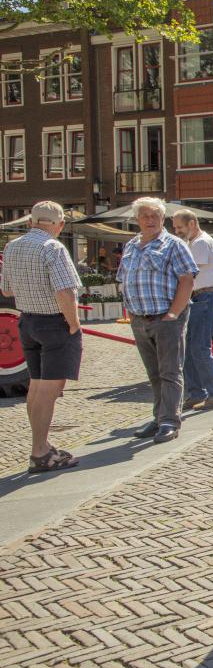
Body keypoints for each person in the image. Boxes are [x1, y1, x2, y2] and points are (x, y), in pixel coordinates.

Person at [1, 201, 83, 471]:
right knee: (49, 389)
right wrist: (73, 324)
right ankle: (40, 452)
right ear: (59, 225)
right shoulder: (53, 247)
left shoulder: (12, 247)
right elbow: (65, 291)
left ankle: (42, 444)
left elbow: (7, 291)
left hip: (27, 321)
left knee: (36, 386)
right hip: (53, 324)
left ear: (31, 222)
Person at [118, 197, 199, 445]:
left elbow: (187, 280)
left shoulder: (174, 245)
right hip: (140, 318)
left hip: (166, 317)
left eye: (155, 215)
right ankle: (158, 417)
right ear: (137, 220)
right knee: (153, 373)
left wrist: (173, 313)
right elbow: (123, 278)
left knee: (170, 372)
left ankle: (169, 421)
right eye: (145, 216)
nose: (150, 220)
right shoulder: (131, 246)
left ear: (162, 219)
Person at [172, 210, 213, 412]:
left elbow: (189, 272)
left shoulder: (200, 243)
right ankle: (196, 393)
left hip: (206, 296)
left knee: (200, 347)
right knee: (191, 348)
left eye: (180, 227)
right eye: (175, 228)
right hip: (202, 297)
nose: (177, 231)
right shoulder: (194, 243)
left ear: (192, 224)